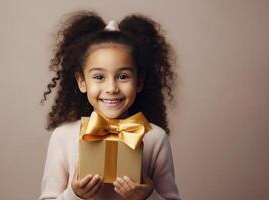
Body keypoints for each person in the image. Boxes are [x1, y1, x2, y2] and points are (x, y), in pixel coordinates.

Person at [39, 10, 181, 200]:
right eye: (99, 77)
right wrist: (74, 195)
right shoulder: (63, 137)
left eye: (123, 76)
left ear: (139, 82)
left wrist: (148, 197)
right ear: (82, 82)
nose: (111, 88)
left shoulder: (155, 138)